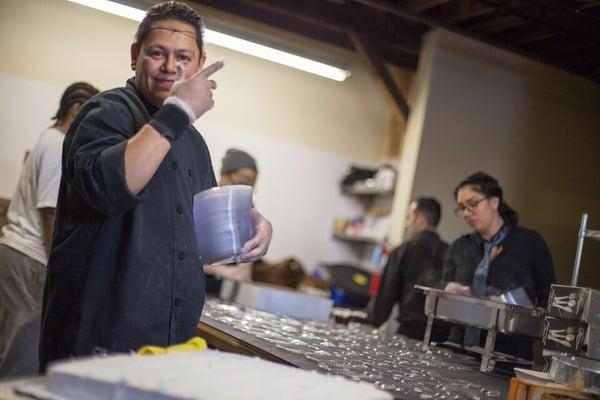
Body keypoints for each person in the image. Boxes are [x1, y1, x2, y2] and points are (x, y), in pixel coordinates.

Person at [39, 1, 272, 370]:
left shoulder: (193, 143)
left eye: (183, 57)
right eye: (157, 53)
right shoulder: (105, 112)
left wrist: (254, 227)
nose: (170, 67)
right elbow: (112, 185)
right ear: (135, 55)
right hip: (97, 340)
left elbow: (209, 235)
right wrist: (179, 111)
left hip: (168, 343)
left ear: (198, 64)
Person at [0, 82, 99, 378]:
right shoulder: (58, 146)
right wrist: (62, 269)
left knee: (8, 347)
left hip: (15, 252)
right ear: (76, 110)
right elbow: (50, 214)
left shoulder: (47, 138)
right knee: (22, 356)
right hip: (31, 260)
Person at [442, 172, 555, 359]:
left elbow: (549, 296)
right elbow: (441, 284)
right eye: (462, 208)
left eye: (472, 204)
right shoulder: (460, 247)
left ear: (494, 202)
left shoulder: (529, 242)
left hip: (508, 353)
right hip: (459, 349)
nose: (466, 213)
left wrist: (536, 313)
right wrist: (448, 289)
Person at [367, 198, 449, 341]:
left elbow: (385, 296)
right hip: (443, 339)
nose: (406, 224)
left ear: (420, 219)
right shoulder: (451, 253)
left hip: (409, 335)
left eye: (408, 218)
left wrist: (370, 322)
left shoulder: (402, 251)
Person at [204, 149, 258, 296]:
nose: (243, 190)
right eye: (241, 182)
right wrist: (220, 271)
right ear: (224, 175)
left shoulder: (246, 209)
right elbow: (183, 257)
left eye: (249, 187)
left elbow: (246, 260)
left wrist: (245, 268)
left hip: (221, 293)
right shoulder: (203, 203)